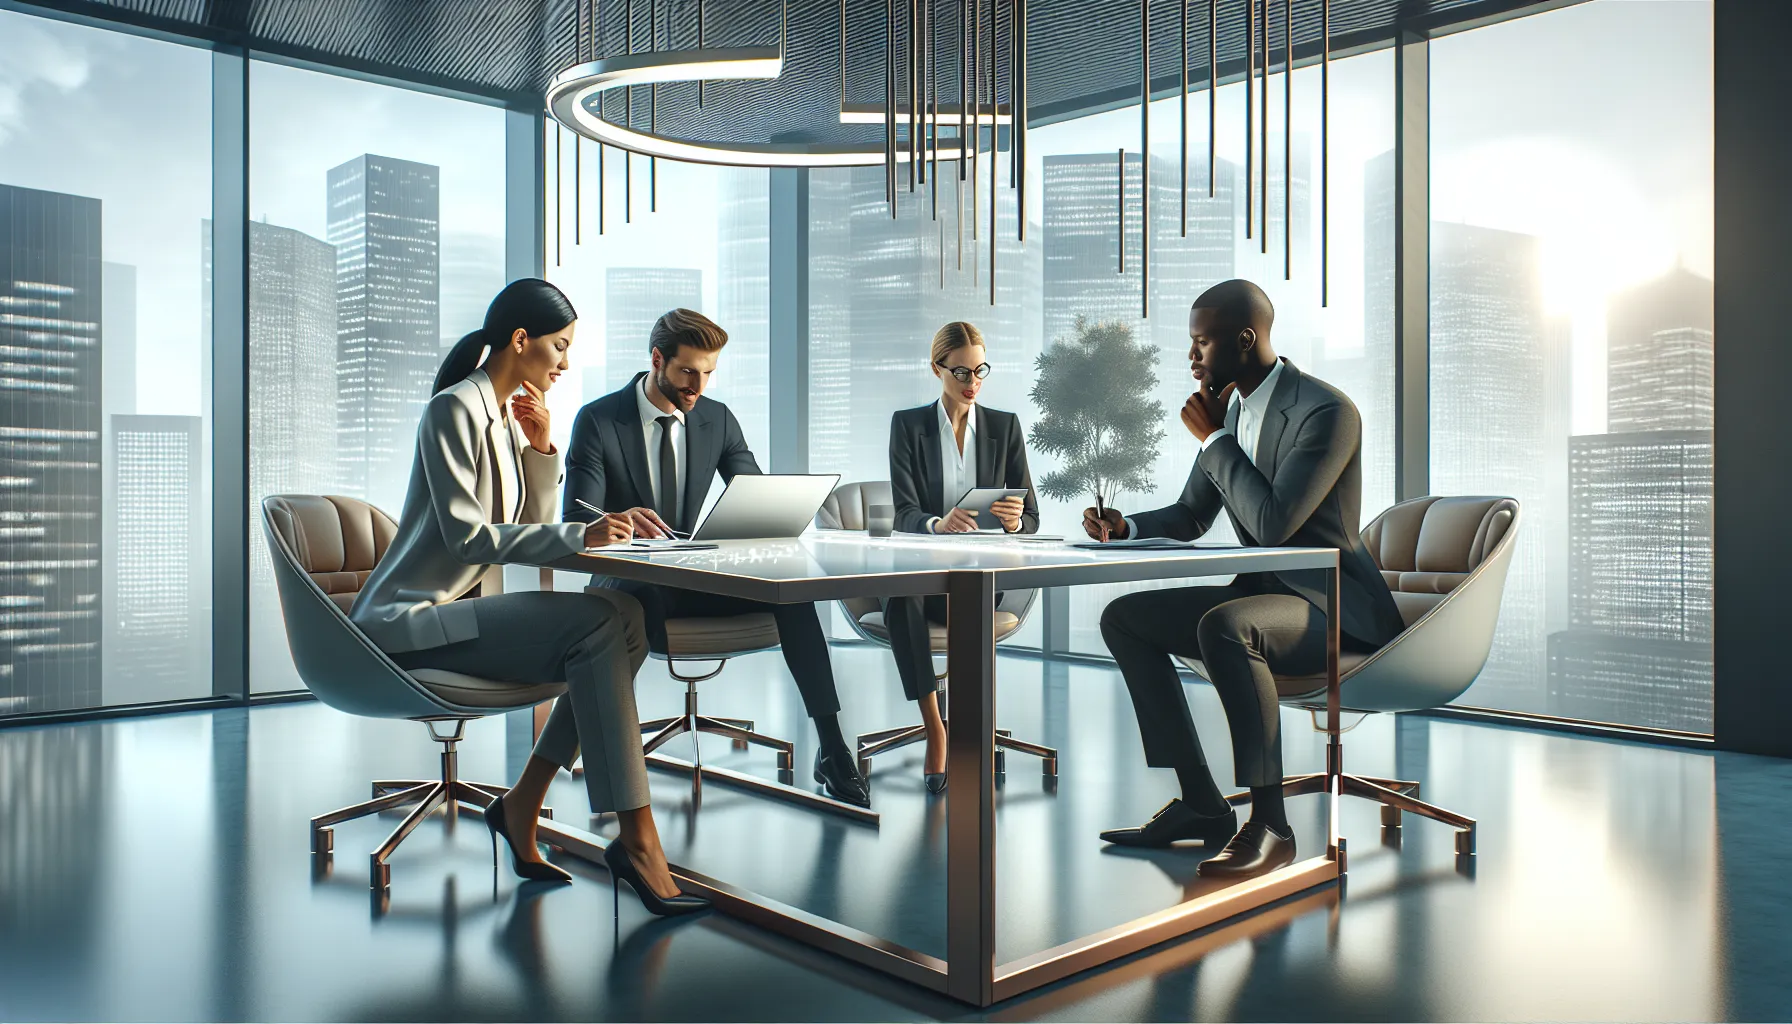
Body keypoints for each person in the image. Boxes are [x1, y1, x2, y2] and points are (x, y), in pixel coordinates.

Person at [351, 279, 707, 916]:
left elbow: (531, 523)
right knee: (601, 622)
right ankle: (636, 838)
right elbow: (469, 539)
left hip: (457, 611)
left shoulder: (506, 412)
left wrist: (543, 449)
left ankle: (522, 805)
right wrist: (582, 530)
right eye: (560, 346)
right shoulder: (453, 410)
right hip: (410, 622)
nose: (566, 363)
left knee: (624, 614)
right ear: (521, 340)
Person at [1085, 279, 1404, 879]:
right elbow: (1191, 515)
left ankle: (1271, 825)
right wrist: (1123, 526)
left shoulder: (1327, 412)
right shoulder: (1231, 412)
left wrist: (1212, 439)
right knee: (1124, 617)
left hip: (1328, 601)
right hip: (1262, 595)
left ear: (1244, 339)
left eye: (1201, 343)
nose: (1192, 357)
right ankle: (1203, 805)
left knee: (1227, 627)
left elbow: (1276, 523)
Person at [563, 308, 871, 808]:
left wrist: (772, 513)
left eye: (708, 373)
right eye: (687, 371)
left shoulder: (716, 418)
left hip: (693, 577)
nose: (697, 385)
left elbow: (751, 493)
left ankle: (833, 749)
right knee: (623, 611)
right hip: (632, 585)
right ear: (658, 359)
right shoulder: (599, 420)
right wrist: (618, 518)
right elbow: (577, 511)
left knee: (792, 595)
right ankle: (609, 774)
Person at [885, 321, 1038, 792]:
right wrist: (938, 524)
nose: (972, 383)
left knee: (964, 600)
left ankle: (967, 726)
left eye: (980, 371)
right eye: (961, 372)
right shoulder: (908, 426)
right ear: (937, 369)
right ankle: (936, 728)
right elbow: (904, 511)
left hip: (980, 577)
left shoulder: (1004, 426)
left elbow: (1031, 516)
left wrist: (1013, 522)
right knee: (900, 599)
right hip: (925, 575)